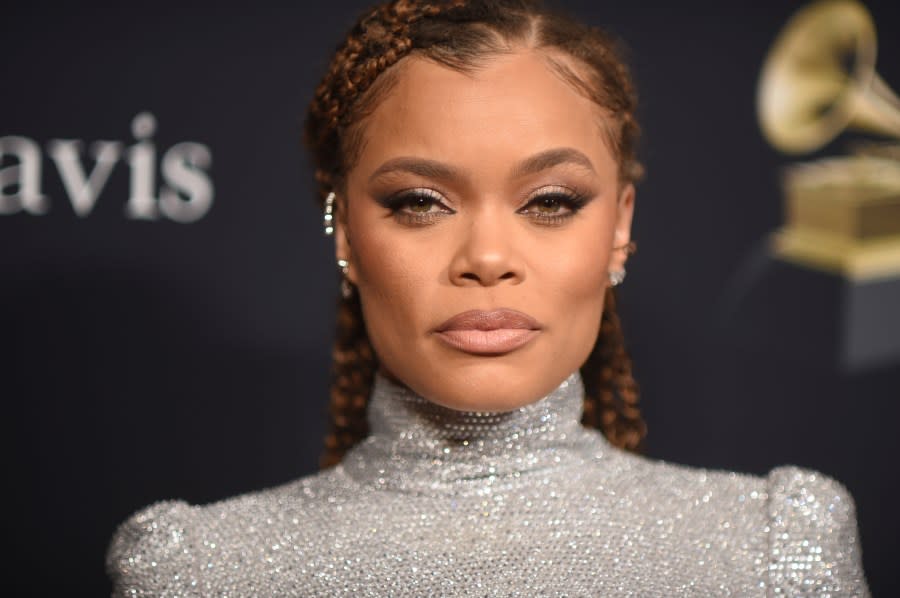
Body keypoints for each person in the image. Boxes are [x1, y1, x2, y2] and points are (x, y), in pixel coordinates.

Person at [106, 0, 870, 595]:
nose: (488, 259)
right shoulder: (198, 574)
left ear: (619, 226)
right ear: (342, 229)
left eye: (550, 201)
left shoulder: (773, 552)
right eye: (419, 201)